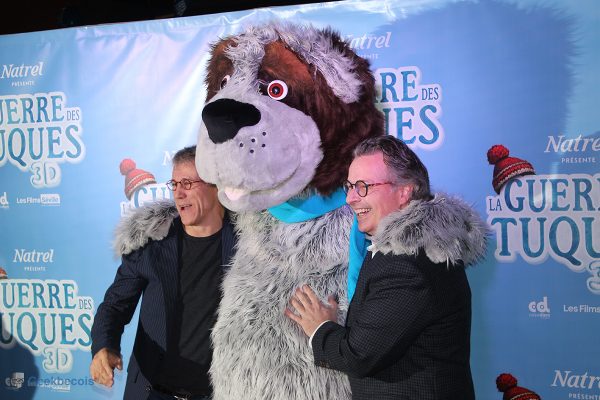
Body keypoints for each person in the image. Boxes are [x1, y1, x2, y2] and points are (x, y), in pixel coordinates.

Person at [285, 135, 487, 399]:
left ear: (404, 192)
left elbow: (357, 356)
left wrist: (320, 328)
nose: (350, 198)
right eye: (349, 186)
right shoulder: (406, 250)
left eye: (363, 187)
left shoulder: (408, 264)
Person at [90, 145, 235, 400]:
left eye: (187, 183)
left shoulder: (248, 247)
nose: (178, 193)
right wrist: (104, 345)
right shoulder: (152, 241)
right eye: (174, 184)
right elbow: (115, 306)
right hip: (152, 391)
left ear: (216, 186)